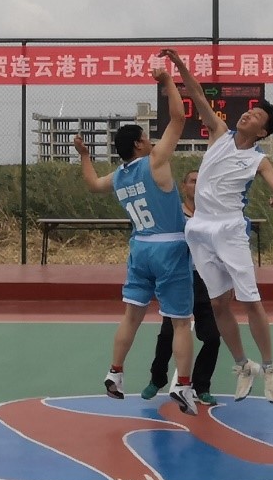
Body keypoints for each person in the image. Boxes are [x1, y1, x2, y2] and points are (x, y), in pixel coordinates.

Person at [164, 48, 273, 400]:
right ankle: (243, 364)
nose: (248, 114)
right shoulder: (219, 132)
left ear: (262, 131)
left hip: (230, 230)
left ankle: (269, 368)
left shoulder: (258, 159)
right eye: (250, 111)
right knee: (219, 303)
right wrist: (179, 65)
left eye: (257, 115)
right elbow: (197, 95)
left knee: (250, 300)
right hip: (199, 229)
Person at [76, 63, 198, 412]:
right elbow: (178, 118)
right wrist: (168, 81)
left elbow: (91, 184)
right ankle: (184, 385)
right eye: (147, 137)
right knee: (181, 322)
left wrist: (84, 156)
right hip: (169, 248)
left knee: (132, 316)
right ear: (140, 143)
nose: (151, 141)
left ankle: (115, 372)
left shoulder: (118, 176)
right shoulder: (154, 162)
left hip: (140, 248)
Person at [145, 169, 225, 403]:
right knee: (168, 334)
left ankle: (201, 386)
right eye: (192, 181)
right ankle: (157, 378)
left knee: (212, 337)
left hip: (204, 280)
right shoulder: (174, 214)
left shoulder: (212, 217)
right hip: (177, 278)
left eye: (201, 182)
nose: (197, 185)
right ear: (184, 186)